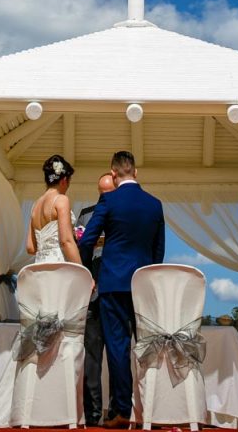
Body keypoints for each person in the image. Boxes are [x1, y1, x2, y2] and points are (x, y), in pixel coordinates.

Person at [79, 150, 165, 430]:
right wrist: (147, 274)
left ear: (113, 174)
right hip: (143, 284)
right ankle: (152, 409)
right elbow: (158, 249)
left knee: (117, 347)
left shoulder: (109, 200)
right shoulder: (155, 204)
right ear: (136, 172)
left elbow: (87, 239)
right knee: (147, 346)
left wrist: (85, 271)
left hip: (113, 283)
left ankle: (122, 411)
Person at [78, 172, 116, 428]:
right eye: (102, 193)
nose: (105, 198)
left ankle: (116, 412)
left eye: (110, 193)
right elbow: (80, 250)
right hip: (91, 294)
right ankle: (92, 415)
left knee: (117, 357)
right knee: (91, 357)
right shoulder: (86, 213)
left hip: (117, 293)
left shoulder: (124, 216)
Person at [26, 154, 81, 264]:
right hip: (58, 266)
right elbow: (66, 241)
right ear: (64, 180)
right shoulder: (61, 200)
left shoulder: (35, 206)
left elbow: (30, 248)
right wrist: (82, 272)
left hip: (39, 267)